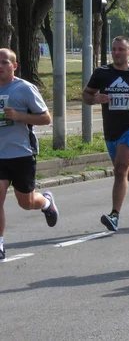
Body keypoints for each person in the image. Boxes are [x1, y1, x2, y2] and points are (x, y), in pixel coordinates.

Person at [82, 36, 129, 232]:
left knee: (120, 170)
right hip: (111, 129)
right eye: (114, 49)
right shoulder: (102, 73)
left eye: (121, 50)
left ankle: (114, 215)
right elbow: (86, 95)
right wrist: (96, 98)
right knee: (125, 170)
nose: (116, 53)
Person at [0, 48, 59, 260]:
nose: (0, 66)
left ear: (14, 66)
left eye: (5, 62)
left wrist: (18, 116)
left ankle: (45, 202)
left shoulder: (24, 88)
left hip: (21, 153)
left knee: (25, 202)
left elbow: (45, 118)